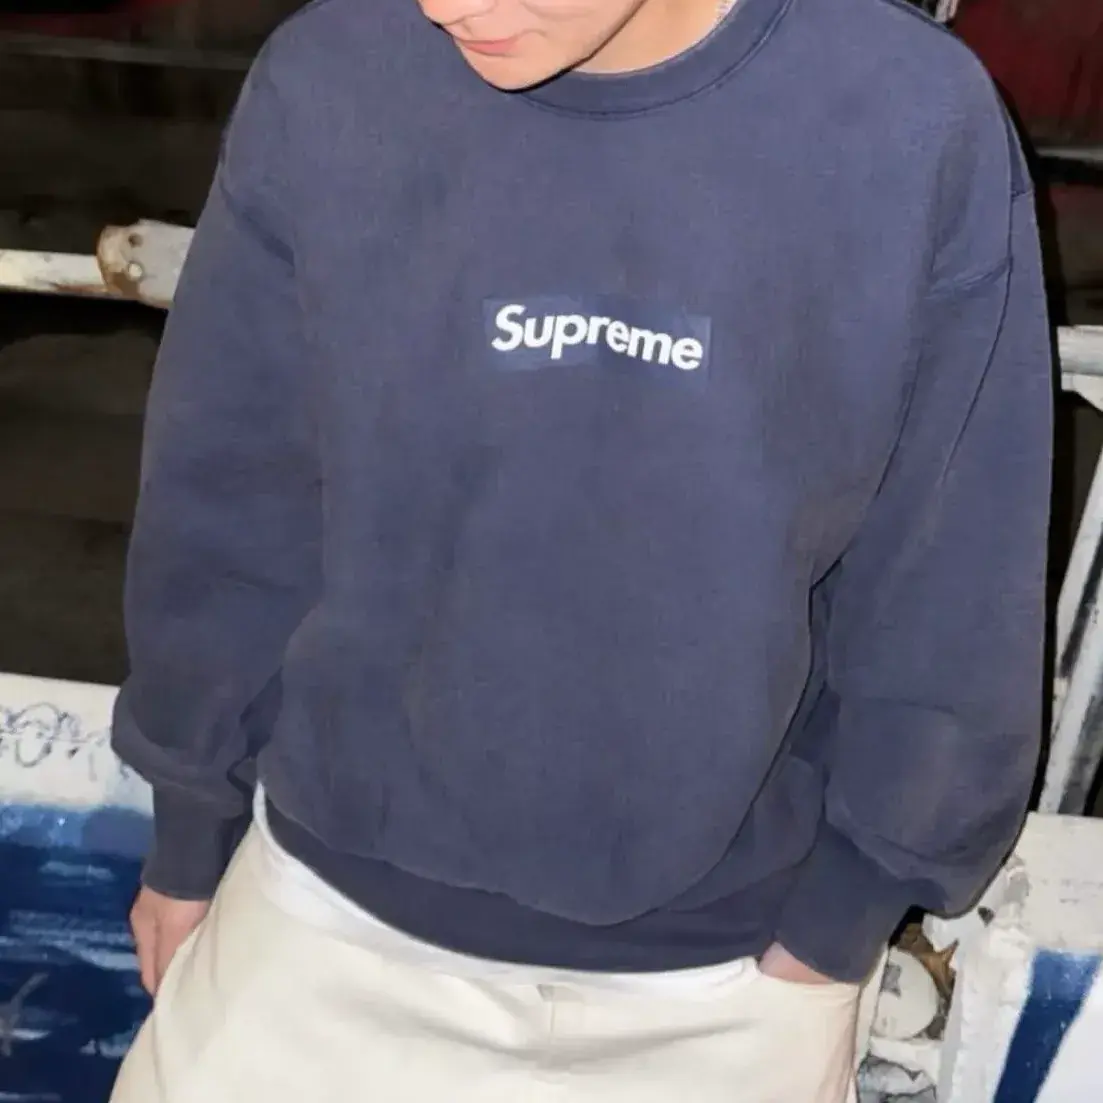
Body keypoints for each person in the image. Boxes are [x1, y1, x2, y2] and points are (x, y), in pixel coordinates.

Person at [107, 0, 1053, 1100]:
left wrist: (842, 918)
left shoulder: (907, 117)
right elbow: (228, 490)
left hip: (722, 990)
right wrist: (191, 819)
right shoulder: (331, 76)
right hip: (316, 926)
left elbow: (951, 572)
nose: (444, 3)